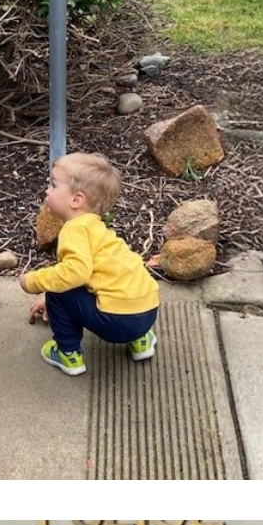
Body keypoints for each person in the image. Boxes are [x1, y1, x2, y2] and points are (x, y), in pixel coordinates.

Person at [20, 152, 159, 376]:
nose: (47, 190)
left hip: (115, 322)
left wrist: (35, 281)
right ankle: (141, 340)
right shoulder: (100, 232)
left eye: (54, 185)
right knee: (109, 281)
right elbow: (97, 276)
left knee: (58, 287)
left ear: (76, 200)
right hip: (148, 311)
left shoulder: (75, 229)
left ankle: (68, 353)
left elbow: (74, 275)